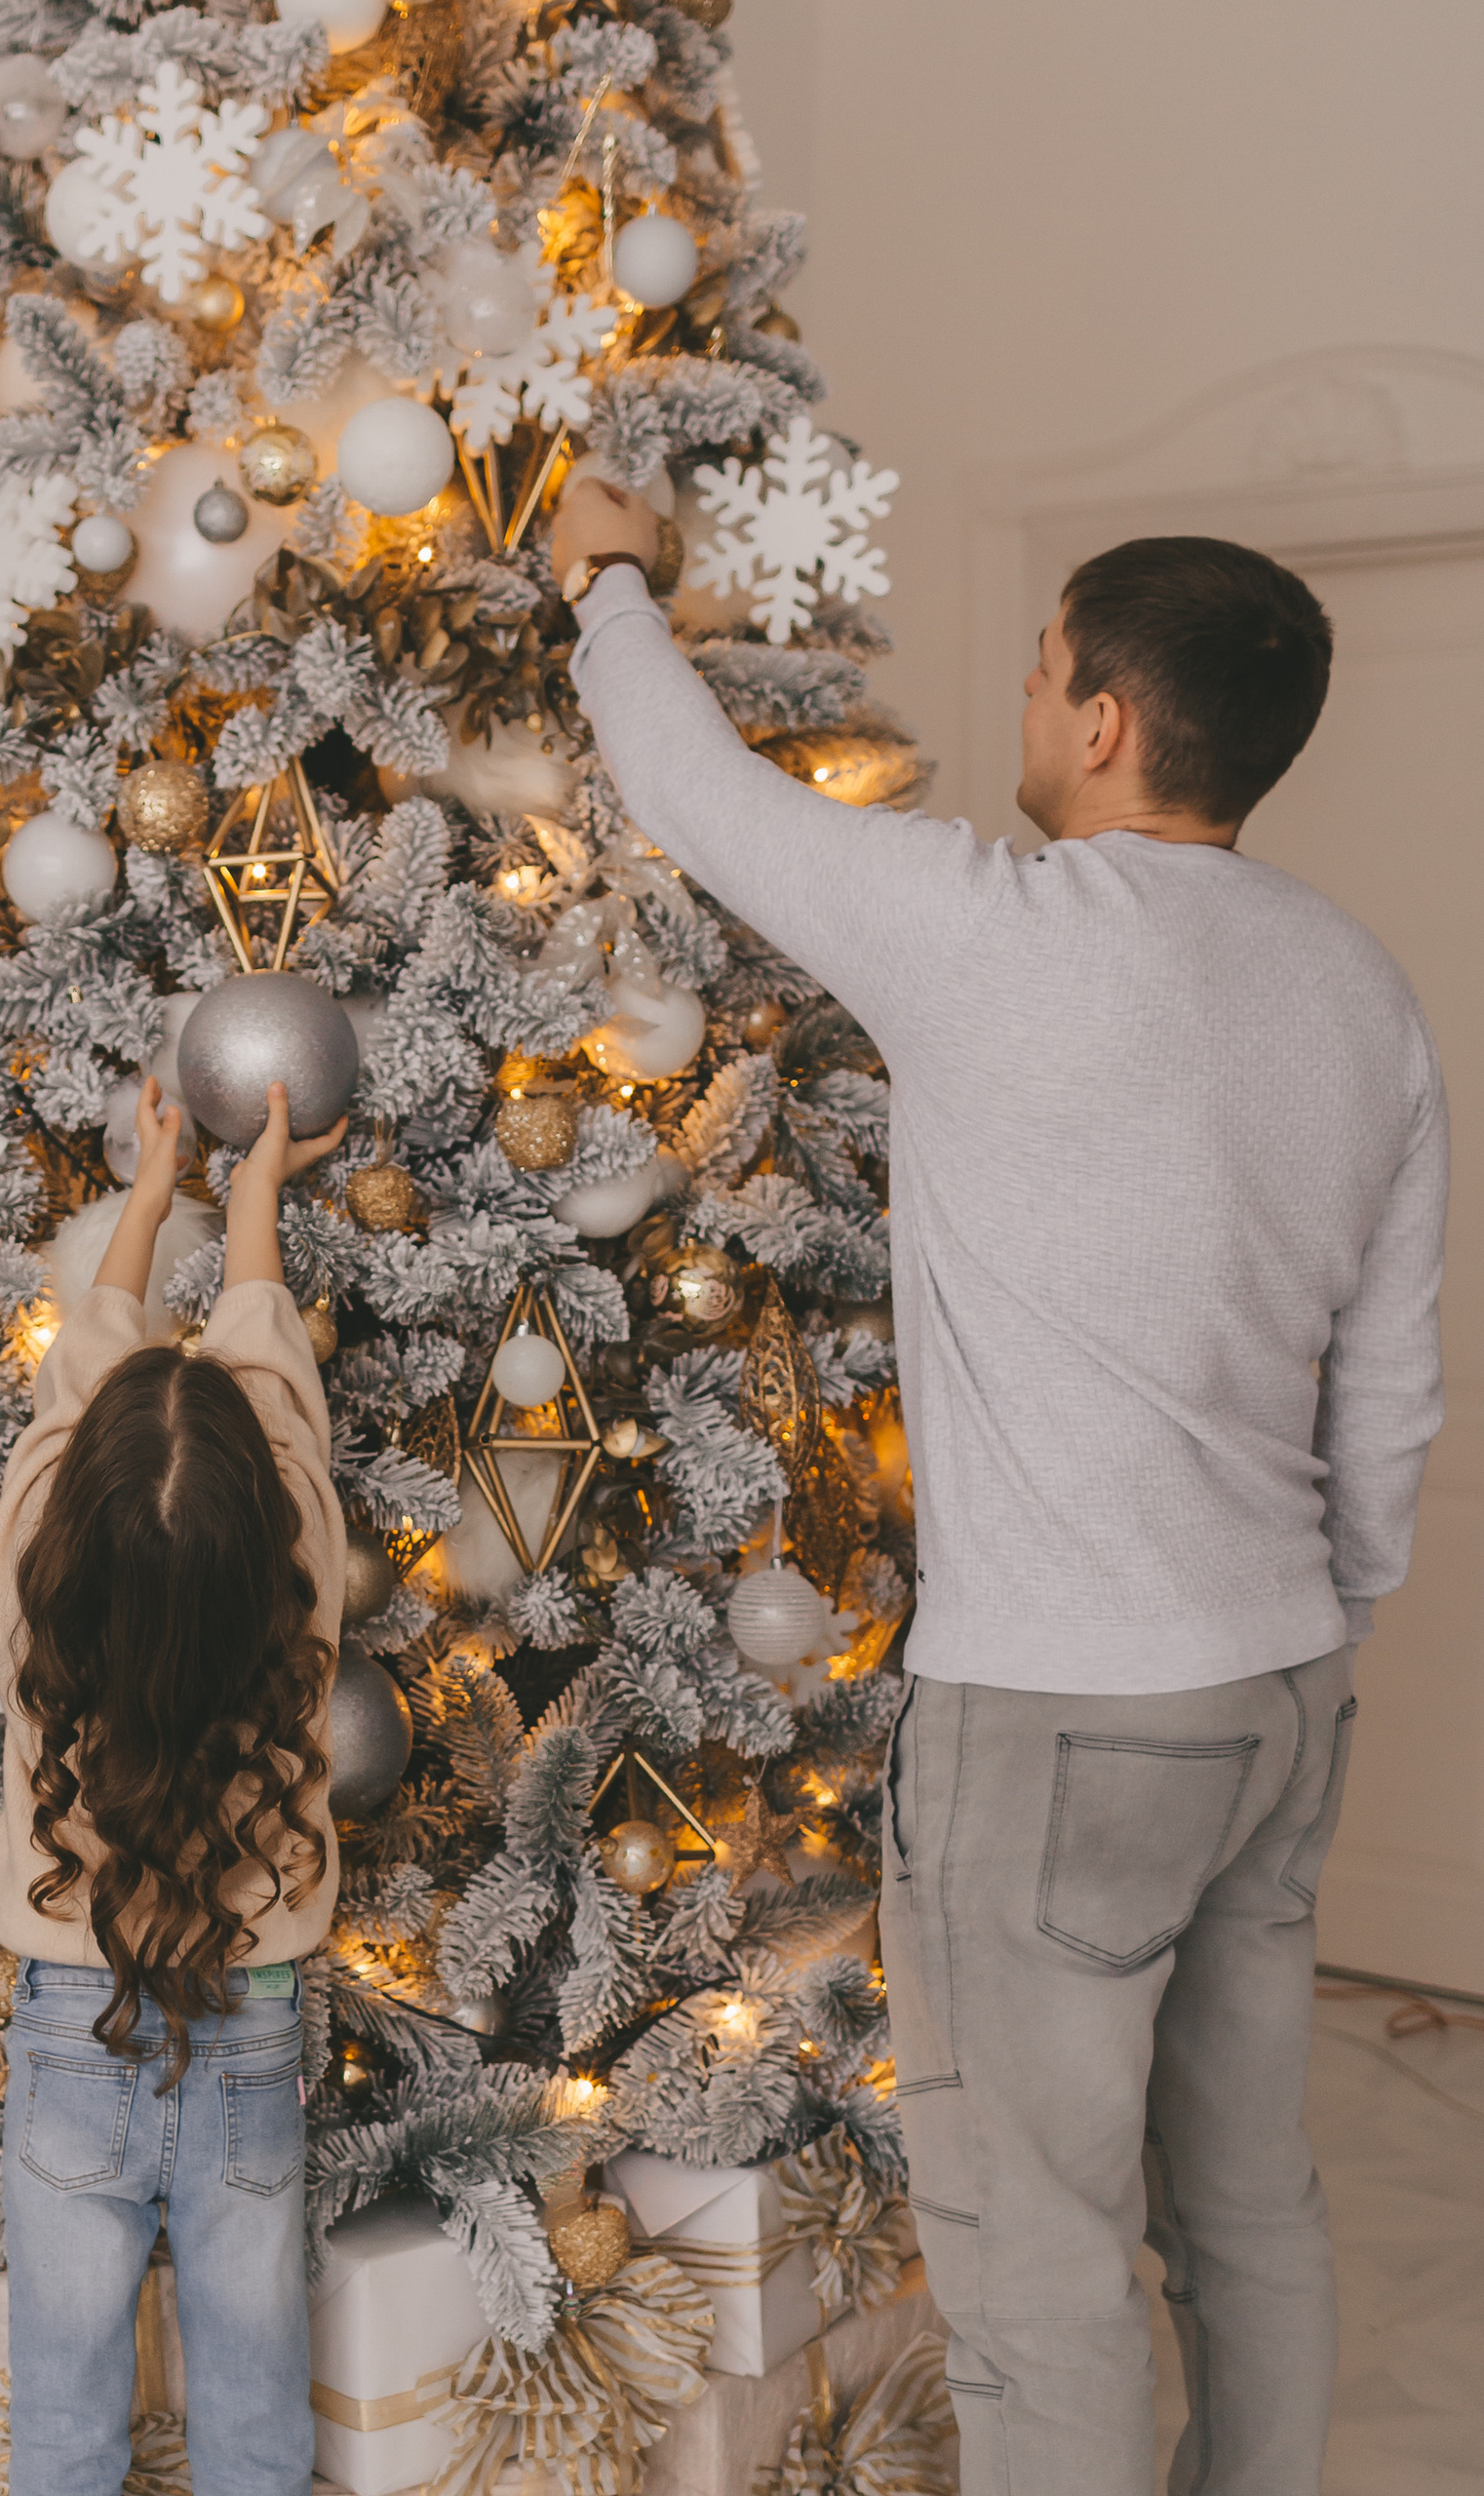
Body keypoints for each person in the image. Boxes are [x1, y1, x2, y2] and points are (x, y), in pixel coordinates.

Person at [550, 488, 1447, 2496]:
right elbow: (1385, 1389)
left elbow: (691, 785)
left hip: (1055, 1713)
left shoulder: (995, 927)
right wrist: (1320, 1612)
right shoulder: (1355, 987)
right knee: (1243, 2205)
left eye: (1040, 671)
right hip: (1278, 1682)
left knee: (1033, 2276)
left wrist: (603, 571)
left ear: (1108, 720)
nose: (1021, 703)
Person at [0, 1074, 349, 2496]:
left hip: (75, 2020)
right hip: (249, 2027)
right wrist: (250, 1193)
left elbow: (82, 1374)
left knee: (66, 2415)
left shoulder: (30, 1570)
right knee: (254, 2411)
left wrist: (148, 1194)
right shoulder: (295, 1565)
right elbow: (268, 1371)